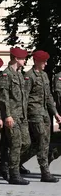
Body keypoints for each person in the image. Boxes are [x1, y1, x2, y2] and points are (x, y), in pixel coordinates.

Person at [20, 50, 61, 182]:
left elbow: (48, 96)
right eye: (44, 61)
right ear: (36, 61)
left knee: (38, 144)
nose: (46, 64)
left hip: (44, 113)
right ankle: (45, 172)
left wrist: (55, 113)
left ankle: (12, 163)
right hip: (34, 113)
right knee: (43, 140)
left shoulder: (44, 75)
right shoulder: (29, 76)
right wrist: (23, 116)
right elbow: (24, 98)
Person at [0, 47, 31, 185]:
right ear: (16, 58)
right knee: (16, 144)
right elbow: (3, 97)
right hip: (12, 116)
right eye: (23, 58)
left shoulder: (19, 74)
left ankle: (5, 164)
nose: (25, 60)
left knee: (26, 143)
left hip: (21, 115)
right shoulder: (7, 75)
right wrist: (7, 115)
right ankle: (14, 175)